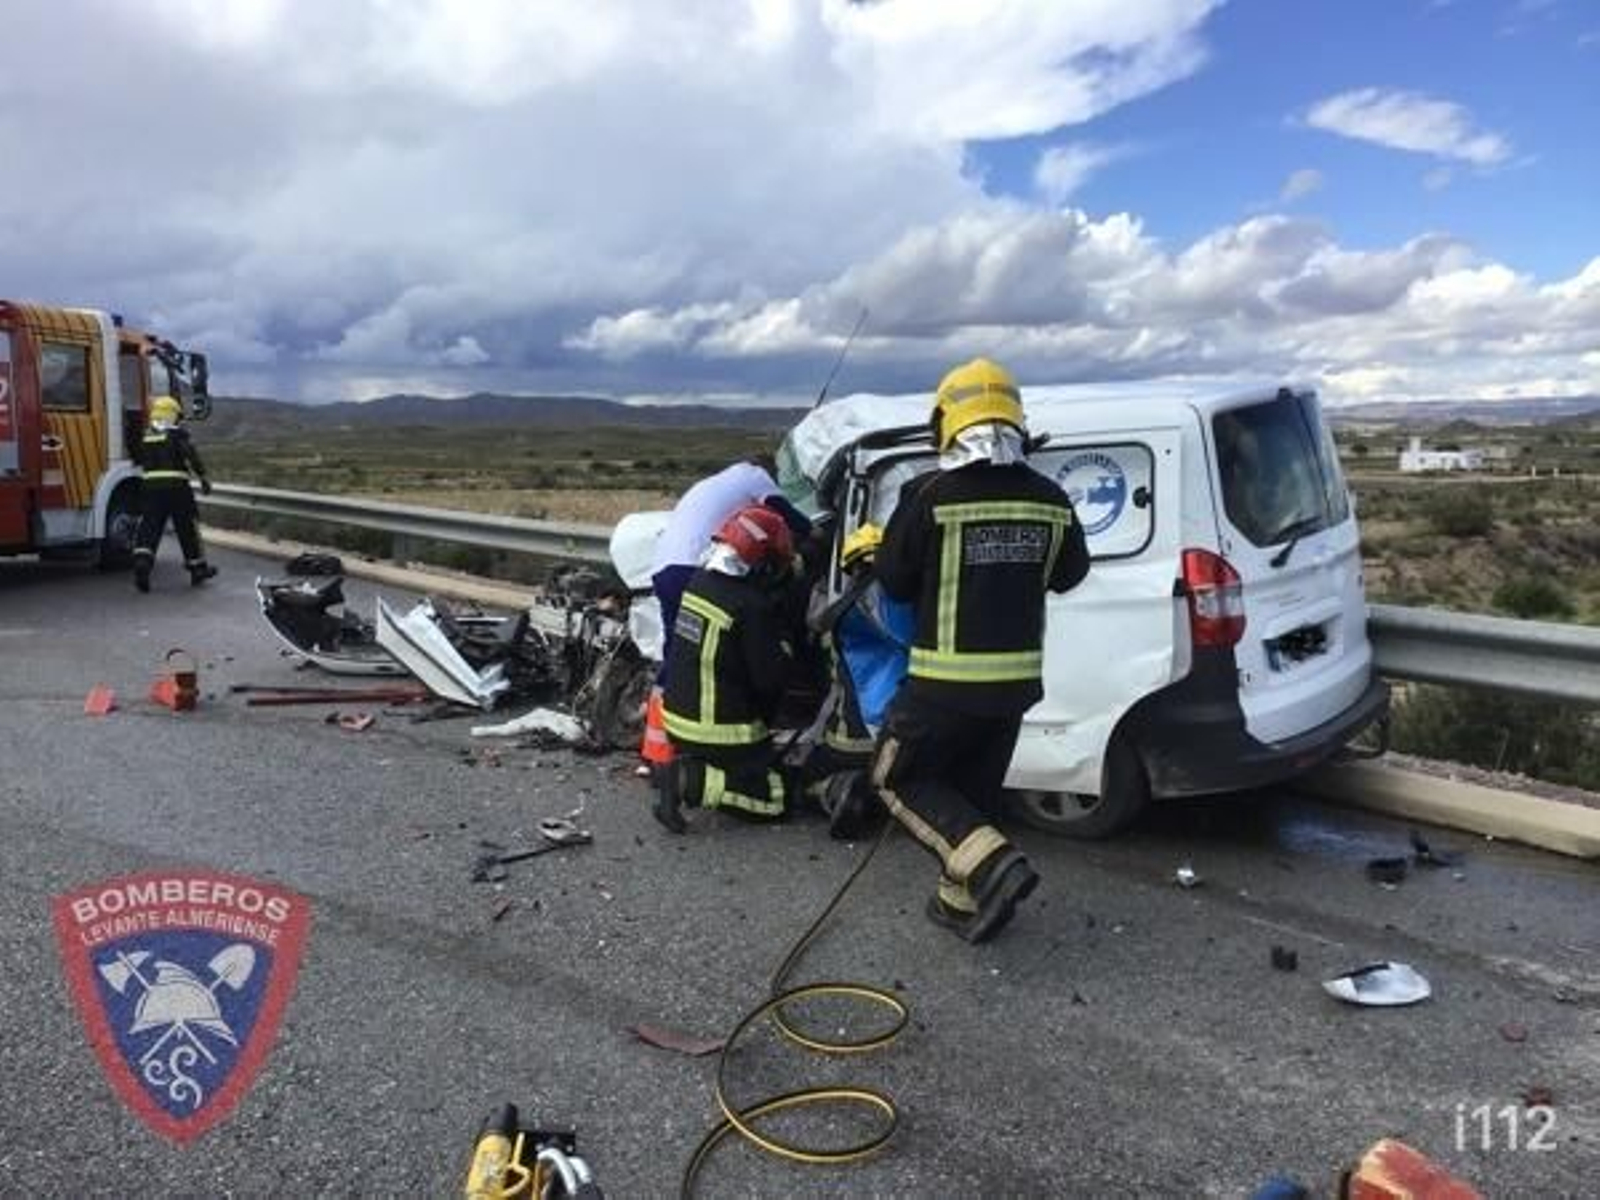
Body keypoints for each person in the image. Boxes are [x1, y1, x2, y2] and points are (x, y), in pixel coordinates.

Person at [869, 358, 1090, 943]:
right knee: (971, 798)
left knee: (894, 779)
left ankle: (994, 867)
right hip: (1015, 687)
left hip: (942, 684)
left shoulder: (929, 494)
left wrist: (883, 550)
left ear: (947, 420)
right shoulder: (1051, 498)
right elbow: (1070, 576)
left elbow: (892, 583)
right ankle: (964, 903)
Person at [640, 454, 812, 765]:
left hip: (665, 566)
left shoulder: (715, 481)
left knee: (677, 653)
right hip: (692, 565)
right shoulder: (755, 475)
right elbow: (785, 516)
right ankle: (687, 748)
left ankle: (658, 751)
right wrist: (815, 533)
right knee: (707, 656)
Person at [653, 505, 801, 833]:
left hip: (678, 718)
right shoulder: (751, 606)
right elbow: (769, 680)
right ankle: (686, 779)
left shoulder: (698, 581)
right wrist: (786, 648)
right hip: (717, 729)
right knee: (777, 797)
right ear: (760, 563)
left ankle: (693, 768)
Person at [132, 395, 217, 592]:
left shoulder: (146, 435)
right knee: (187, 528)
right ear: (171, 415)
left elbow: (137, 458)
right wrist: (203, 477)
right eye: (177, 415)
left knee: (149, 526)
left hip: (150, 487)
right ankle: (197, 568)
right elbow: (190, 454)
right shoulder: (178, 434)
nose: (179, 419)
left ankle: (143, 562)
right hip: (177, 487)